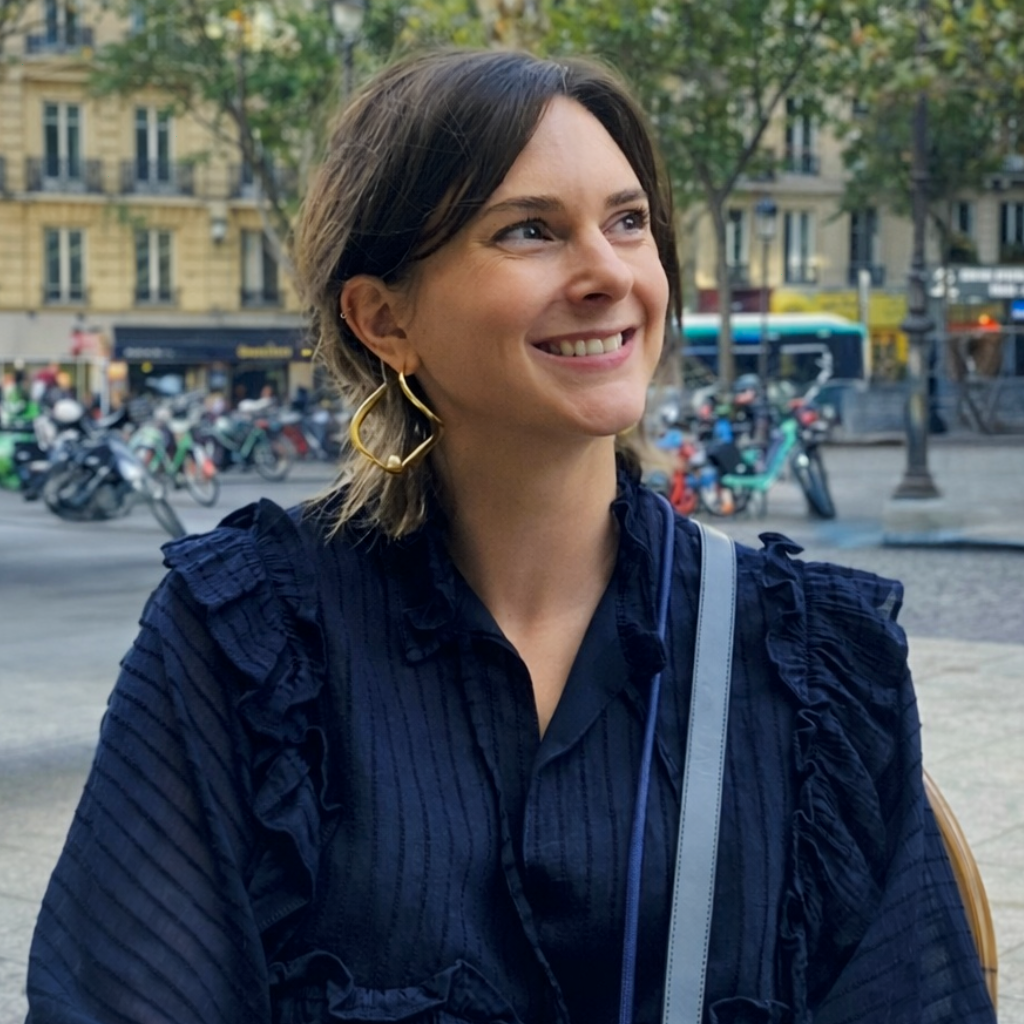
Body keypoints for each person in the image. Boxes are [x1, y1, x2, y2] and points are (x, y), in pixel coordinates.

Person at [26, 49, 994, 1024]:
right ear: (381, 319)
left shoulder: (813, 663)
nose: (607, 272)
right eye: (530, 230)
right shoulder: (243, 641)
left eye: (628, 222)